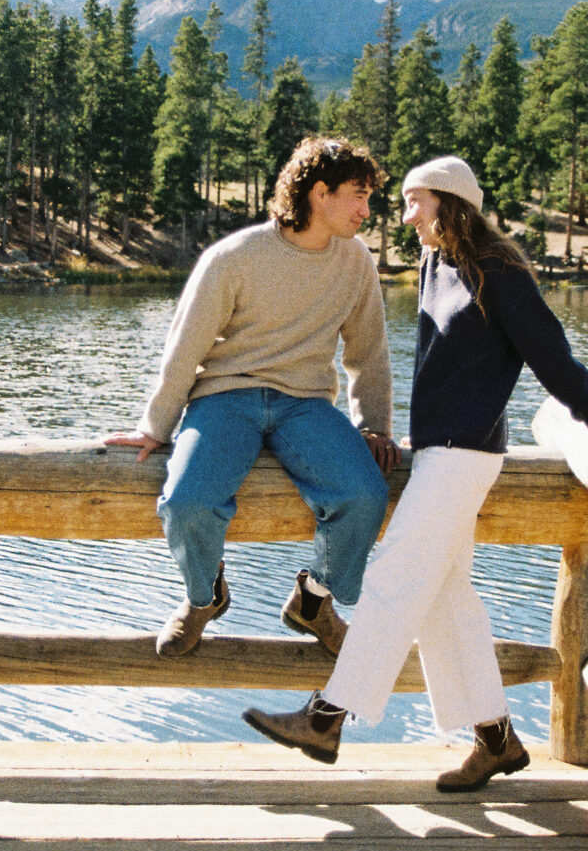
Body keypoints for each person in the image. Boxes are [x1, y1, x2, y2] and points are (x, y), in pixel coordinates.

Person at [243, 155, 588, 791]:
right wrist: (422, 431)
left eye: (415, 203)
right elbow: (443, 363)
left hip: (468, 456)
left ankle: (326, 717)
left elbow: (549, 351)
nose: (405, 216)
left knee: (394, 576)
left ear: (450, 203)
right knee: (445, 598)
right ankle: (495, 738)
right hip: (438, 447)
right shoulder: (436, 262)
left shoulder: (500, 271)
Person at [104, 135, 401, 658]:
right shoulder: (235, 257)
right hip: (225, 397)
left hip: (306, 404)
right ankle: (204, 598)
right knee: (187, 503)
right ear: (319, 194)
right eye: (358, 195)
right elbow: (185, 349)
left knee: (364, 495)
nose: (366, 209)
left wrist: (375, 425)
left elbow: (368, 354)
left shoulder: (356, 262)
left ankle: (314, 600)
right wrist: (155, 427)